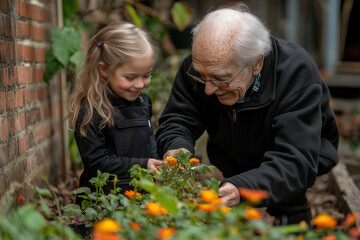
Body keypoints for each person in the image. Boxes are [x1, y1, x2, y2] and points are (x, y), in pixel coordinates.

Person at [156, 3, 339, 225]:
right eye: (202, 76)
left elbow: (295, 159)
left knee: (287, 202)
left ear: (256, 63)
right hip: (231, 152)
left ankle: (292, 214)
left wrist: (240, 189)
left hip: (295, 157)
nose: (208, 89)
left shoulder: (296, 73)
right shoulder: (202, 66)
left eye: (220, 79)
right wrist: (177, 147)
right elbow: (179, 117)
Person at [66, 22, 163, 196]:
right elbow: (97, 162)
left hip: (141, 193)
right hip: (104, 198)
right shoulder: (92, 110)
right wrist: (143, 164)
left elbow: (149, 138)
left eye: (147, 75)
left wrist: (154, 161)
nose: (140, 84)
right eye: (130, 77)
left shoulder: (143, 101)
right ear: (104, 70)